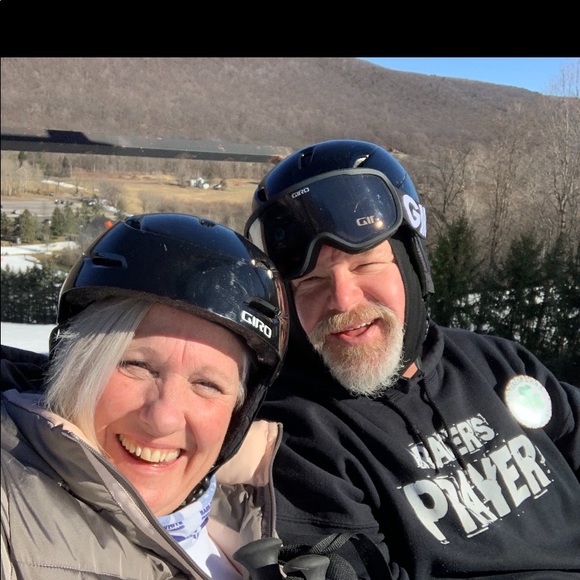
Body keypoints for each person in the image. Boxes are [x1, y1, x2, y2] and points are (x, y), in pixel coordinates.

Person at [244, 139, 580, 579]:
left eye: (365, 264)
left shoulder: (494, 361)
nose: (343, 300)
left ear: (412, 266)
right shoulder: (300, 435)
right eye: (310, 282)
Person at [1, 213, 290, 580]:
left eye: (207, 384)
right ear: (73, 365)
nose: (163, 418)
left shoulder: (239, 519)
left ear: (240, 412)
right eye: (136, 365)